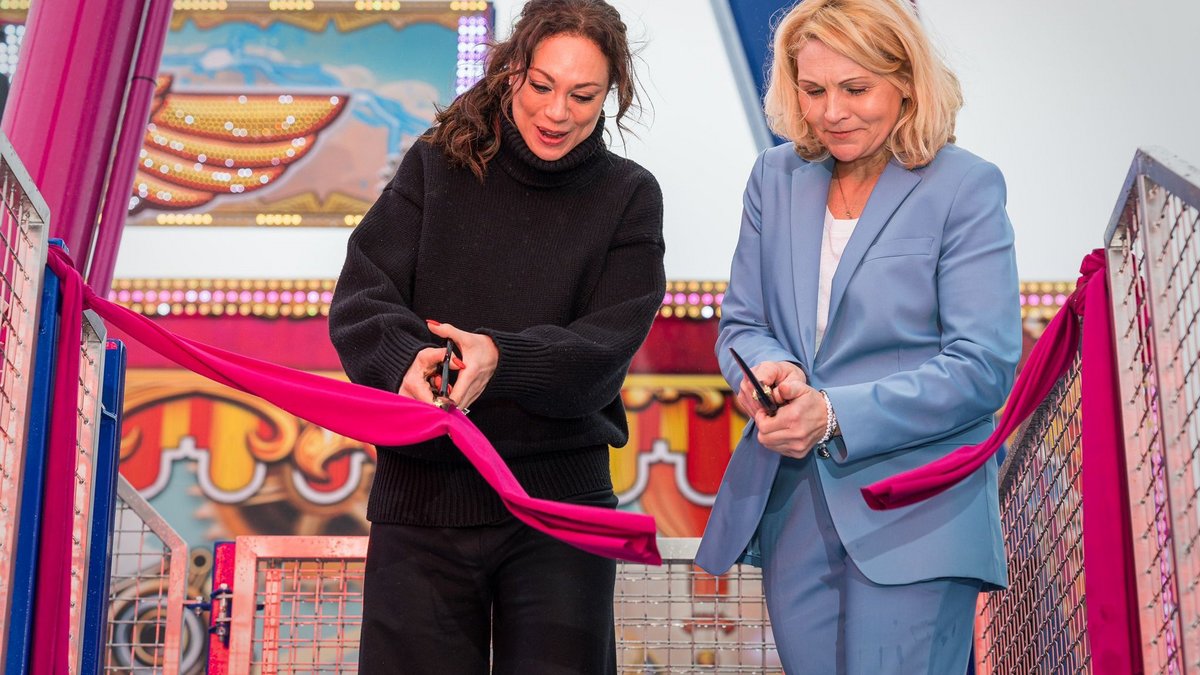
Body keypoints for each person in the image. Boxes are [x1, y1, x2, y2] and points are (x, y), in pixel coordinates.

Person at [327, 1, 665, 672]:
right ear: (511, 72)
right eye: (541, 86)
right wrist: (409, 361)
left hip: (560, 510)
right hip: (423, 500)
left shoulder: (629, 196)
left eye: (583, 95)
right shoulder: (436, 168)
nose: (557, 111)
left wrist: (501, 359)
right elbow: (362, 299)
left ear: (612, 96)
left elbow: (602, 355)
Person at [694, 0, 1021, 673]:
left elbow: (982, 364)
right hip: (794, 512)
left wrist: (835, 411)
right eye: (812, 91)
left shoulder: (966, 187)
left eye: (856, 89)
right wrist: (772, 371)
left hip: (919, 516)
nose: (831, 112)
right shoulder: (774, 179)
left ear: (907, 82)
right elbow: (742, 326)